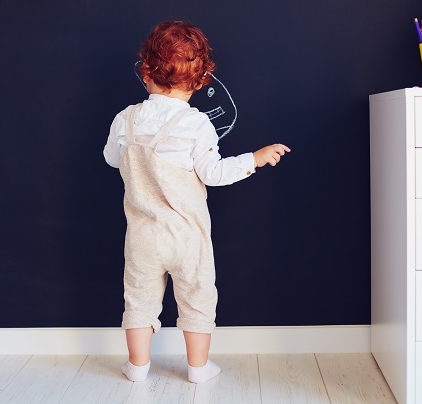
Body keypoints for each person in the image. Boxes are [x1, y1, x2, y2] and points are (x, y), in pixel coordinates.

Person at [103, 20, 290, 383]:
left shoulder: (124, 119)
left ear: (146, 72)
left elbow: (112, 158)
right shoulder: (196, 123)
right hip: (188, 236)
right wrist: (254, 158)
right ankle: (199, 368)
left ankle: (138, 367)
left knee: (139, 300)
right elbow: (213, 174)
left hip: (143, 235)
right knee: (197, 298)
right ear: (201, 80)